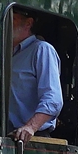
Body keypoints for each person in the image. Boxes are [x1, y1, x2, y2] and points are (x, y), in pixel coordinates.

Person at [7, 7, 62, 142]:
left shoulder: (42, 50)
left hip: (32, 138)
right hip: (6, 136)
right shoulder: (5, 55)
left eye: (12, 19)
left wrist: (30, 127)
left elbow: (53, 100)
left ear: (28, 23)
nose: (6, 24)